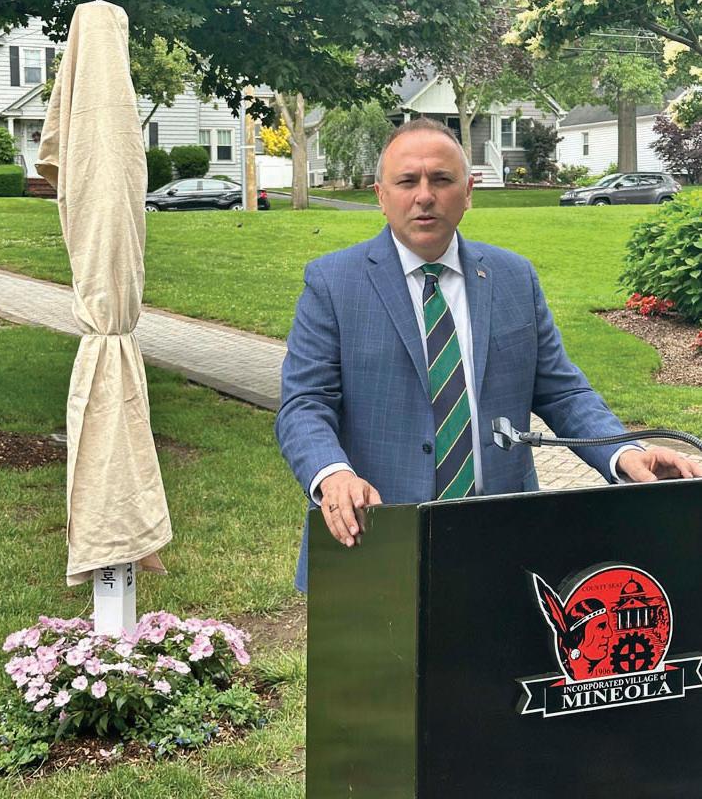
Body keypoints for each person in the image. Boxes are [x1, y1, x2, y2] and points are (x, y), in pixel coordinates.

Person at [275, 117, 702, 592]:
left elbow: (562, 392)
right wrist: (332, 475)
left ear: (468, 191)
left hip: (504, 544)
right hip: (374, 538)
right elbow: (304, 404)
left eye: (441, 179)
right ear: (380, 194)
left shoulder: (513, 277)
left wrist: (623, 453)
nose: (424, 196)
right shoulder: (333, 284)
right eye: (407, 181)